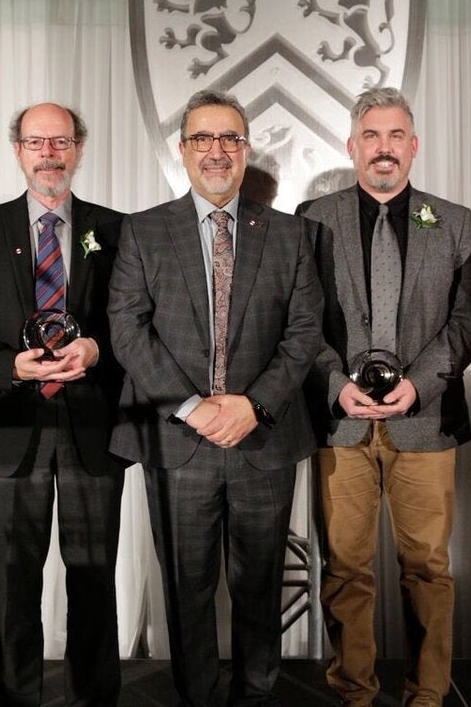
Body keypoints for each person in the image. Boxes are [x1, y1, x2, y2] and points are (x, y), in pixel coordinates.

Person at [108, 90, 323, 706]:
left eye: (230, 138)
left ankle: (255, 696)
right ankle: (196, 697)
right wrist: (191, 406)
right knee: (186, 588)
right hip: (180, 443)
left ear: (247, 148)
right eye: (202, 138)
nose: (217, 151)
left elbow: (304, 330)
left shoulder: (290, 234)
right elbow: (128, 328)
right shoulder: (144, 231)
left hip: (262, 437)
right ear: (182, 150)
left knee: (260, 587)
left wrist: (252, 404)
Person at [299, 87, 471, 707]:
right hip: (341, 425)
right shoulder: (312, 218)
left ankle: (427, 695)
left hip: (425, 421)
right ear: (352, 147)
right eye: (372, 137)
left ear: (414, 145)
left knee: (428, 568)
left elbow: (468, 319)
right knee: (346, 569)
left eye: (396, 136)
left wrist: (420, 382)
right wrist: (334, 384)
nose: (384, 149)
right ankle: (354, 693)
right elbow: (300, 321)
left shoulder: (453, 220)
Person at [0, 103, 125, 706]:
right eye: (36, 142)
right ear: (18, 150)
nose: (49, 153)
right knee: (15, 579)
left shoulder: (118, 227)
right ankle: (12, 696)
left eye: (60, 142)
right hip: (11, 423)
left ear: (78, 148)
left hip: (92, 426)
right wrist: (9, 365)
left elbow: (133, 325)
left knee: (94, 576)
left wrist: (97, 347)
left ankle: (95, 696)